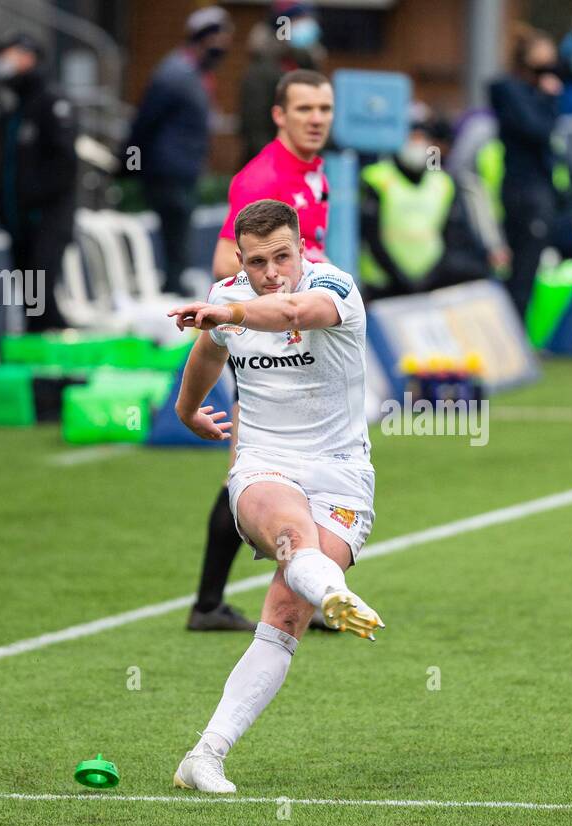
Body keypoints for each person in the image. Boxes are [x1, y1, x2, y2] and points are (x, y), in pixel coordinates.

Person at [166, 198, 383, 794]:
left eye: (283, 256)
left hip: (342, 475)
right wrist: (189, 413)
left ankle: (201, 756)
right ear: (241, 258)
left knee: (286, 615)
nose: (273, 271)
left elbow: (289, 309)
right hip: (263, 465)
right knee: (293, 538)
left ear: (301, 249)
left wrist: (230, 310)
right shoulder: (228, 296)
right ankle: (334, 594)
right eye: (258, 261)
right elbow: (208, 352)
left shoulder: (334, 288)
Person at [185, 68, 334, 634]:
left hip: (302, 345)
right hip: (268, 348)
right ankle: (208, 603)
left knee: (308, 467)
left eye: (324, 108)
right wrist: (284, 288)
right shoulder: (263, 178)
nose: (316, 119)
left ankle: (307, 592)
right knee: (249, 471)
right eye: (304, 110)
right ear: (278, 115)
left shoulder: (314, 174)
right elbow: (228, 261)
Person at [125, 5, 233, 294]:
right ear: (202, 38)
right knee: (175, 240)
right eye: (218, 38)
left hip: (184, 171)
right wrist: (126, 163)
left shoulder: (194, 74)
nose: (223, 46)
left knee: (180, 239)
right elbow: (145, 122)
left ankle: (175, 289)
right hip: (168, 173)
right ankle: (174, 298)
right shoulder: (174, 73)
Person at [488, 28, 572, 318]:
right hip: (523, 191)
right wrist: (547, 97)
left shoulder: (539, 89)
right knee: (521, 268)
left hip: (542, 192)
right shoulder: (507, 89)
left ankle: (526, 331)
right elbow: (537, 129)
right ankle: (515, 336)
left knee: (541, 261)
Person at [358, 105, 491, 300]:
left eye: (423, 139)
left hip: (431, 284)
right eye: (412, 138)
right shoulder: (376, 177)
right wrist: (401, 278)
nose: (418, 145)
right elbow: (371, 236)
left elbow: (452, 235)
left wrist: (432, 277)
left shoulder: (443, 183)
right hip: (382, 285)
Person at [0, 34, 77, 332]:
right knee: (32, 298)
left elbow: (64, 163)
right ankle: (40, 363)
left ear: (29, 57)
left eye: (10, 54)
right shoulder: (16, 103)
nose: (4, 62)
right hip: (21, 221)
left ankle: (55, 366)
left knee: (41, 295)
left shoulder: (51, 100)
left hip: (46, 219)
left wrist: (32, 199)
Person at [238, 1, 326, 166]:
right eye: (300, 19)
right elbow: (255, 130)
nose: (308, 25)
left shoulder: (308, 66)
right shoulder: (262, 72)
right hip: (269, 172)